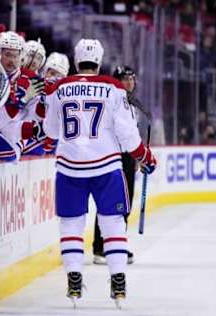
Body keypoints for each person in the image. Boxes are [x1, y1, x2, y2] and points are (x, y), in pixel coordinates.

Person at [43, 39, 157, 306]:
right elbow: (128, 134)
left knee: (71, 223)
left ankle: (73, 276)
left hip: (69, 166)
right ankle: (118, 279)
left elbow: (50, 131)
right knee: (113, 222)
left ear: (75, 59)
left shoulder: (59, 88)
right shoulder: (113, 88)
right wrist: (145, 157)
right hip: (106, 165)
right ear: (100, 60)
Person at [92, 65, 144, 265]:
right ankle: (101, 246)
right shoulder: (111, 101)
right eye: (125, 78)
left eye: (132, 78)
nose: (129, 82)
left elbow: (132, 133)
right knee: (109, 202)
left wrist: (138, 156)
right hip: (113, 157)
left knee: (125, 201)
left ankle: (115, 243)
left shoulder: (131, 103)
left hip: (127, 157)